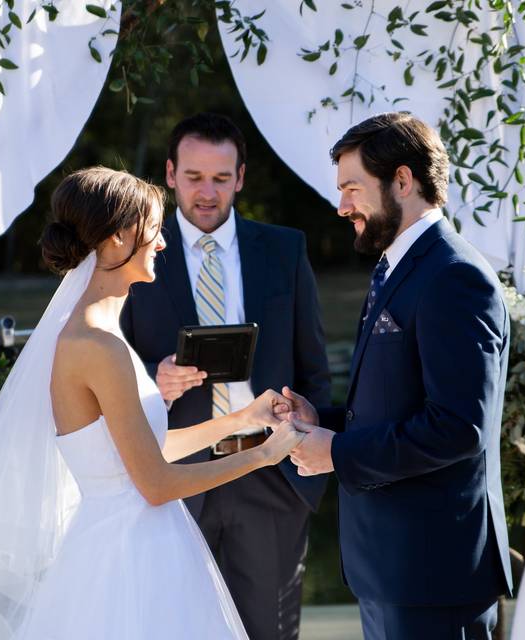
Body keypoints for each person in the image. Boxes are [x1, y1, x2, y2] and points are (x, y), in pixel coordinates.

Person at [0, 167, 303, 639]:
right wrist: (263, 455)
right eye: (153, 229)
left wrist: (243, 418)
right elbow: (155, 484)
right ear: (117, 237)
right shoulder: (96, 344)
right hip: (126, 561)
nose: (161, 243)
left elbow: (142, 452)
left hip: (138, 543)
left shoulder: (101, 333)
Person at [279, 113, 513, 640]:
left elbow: (458, 426)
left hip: (433, 572)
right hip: (389, 568)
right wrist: (325, 422)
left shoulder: (454, 276)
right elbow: (398, 404)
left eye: (353, 189)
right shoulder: (397, 267)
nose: (342, 207)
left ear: (403, 181)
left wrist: (335, 452)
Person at [120, 113, 331, 640]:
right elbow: (106, 359)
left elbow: (314, 367)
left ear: (240, 177)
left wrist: (305, 453)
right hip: (171, 482)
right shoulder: (132, 253)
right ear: (169, 174)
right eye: (193, 177)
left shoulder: (286, 249)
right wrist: (153, 380)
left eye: (220, 178)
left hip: (270, 478)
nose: (206, 192)